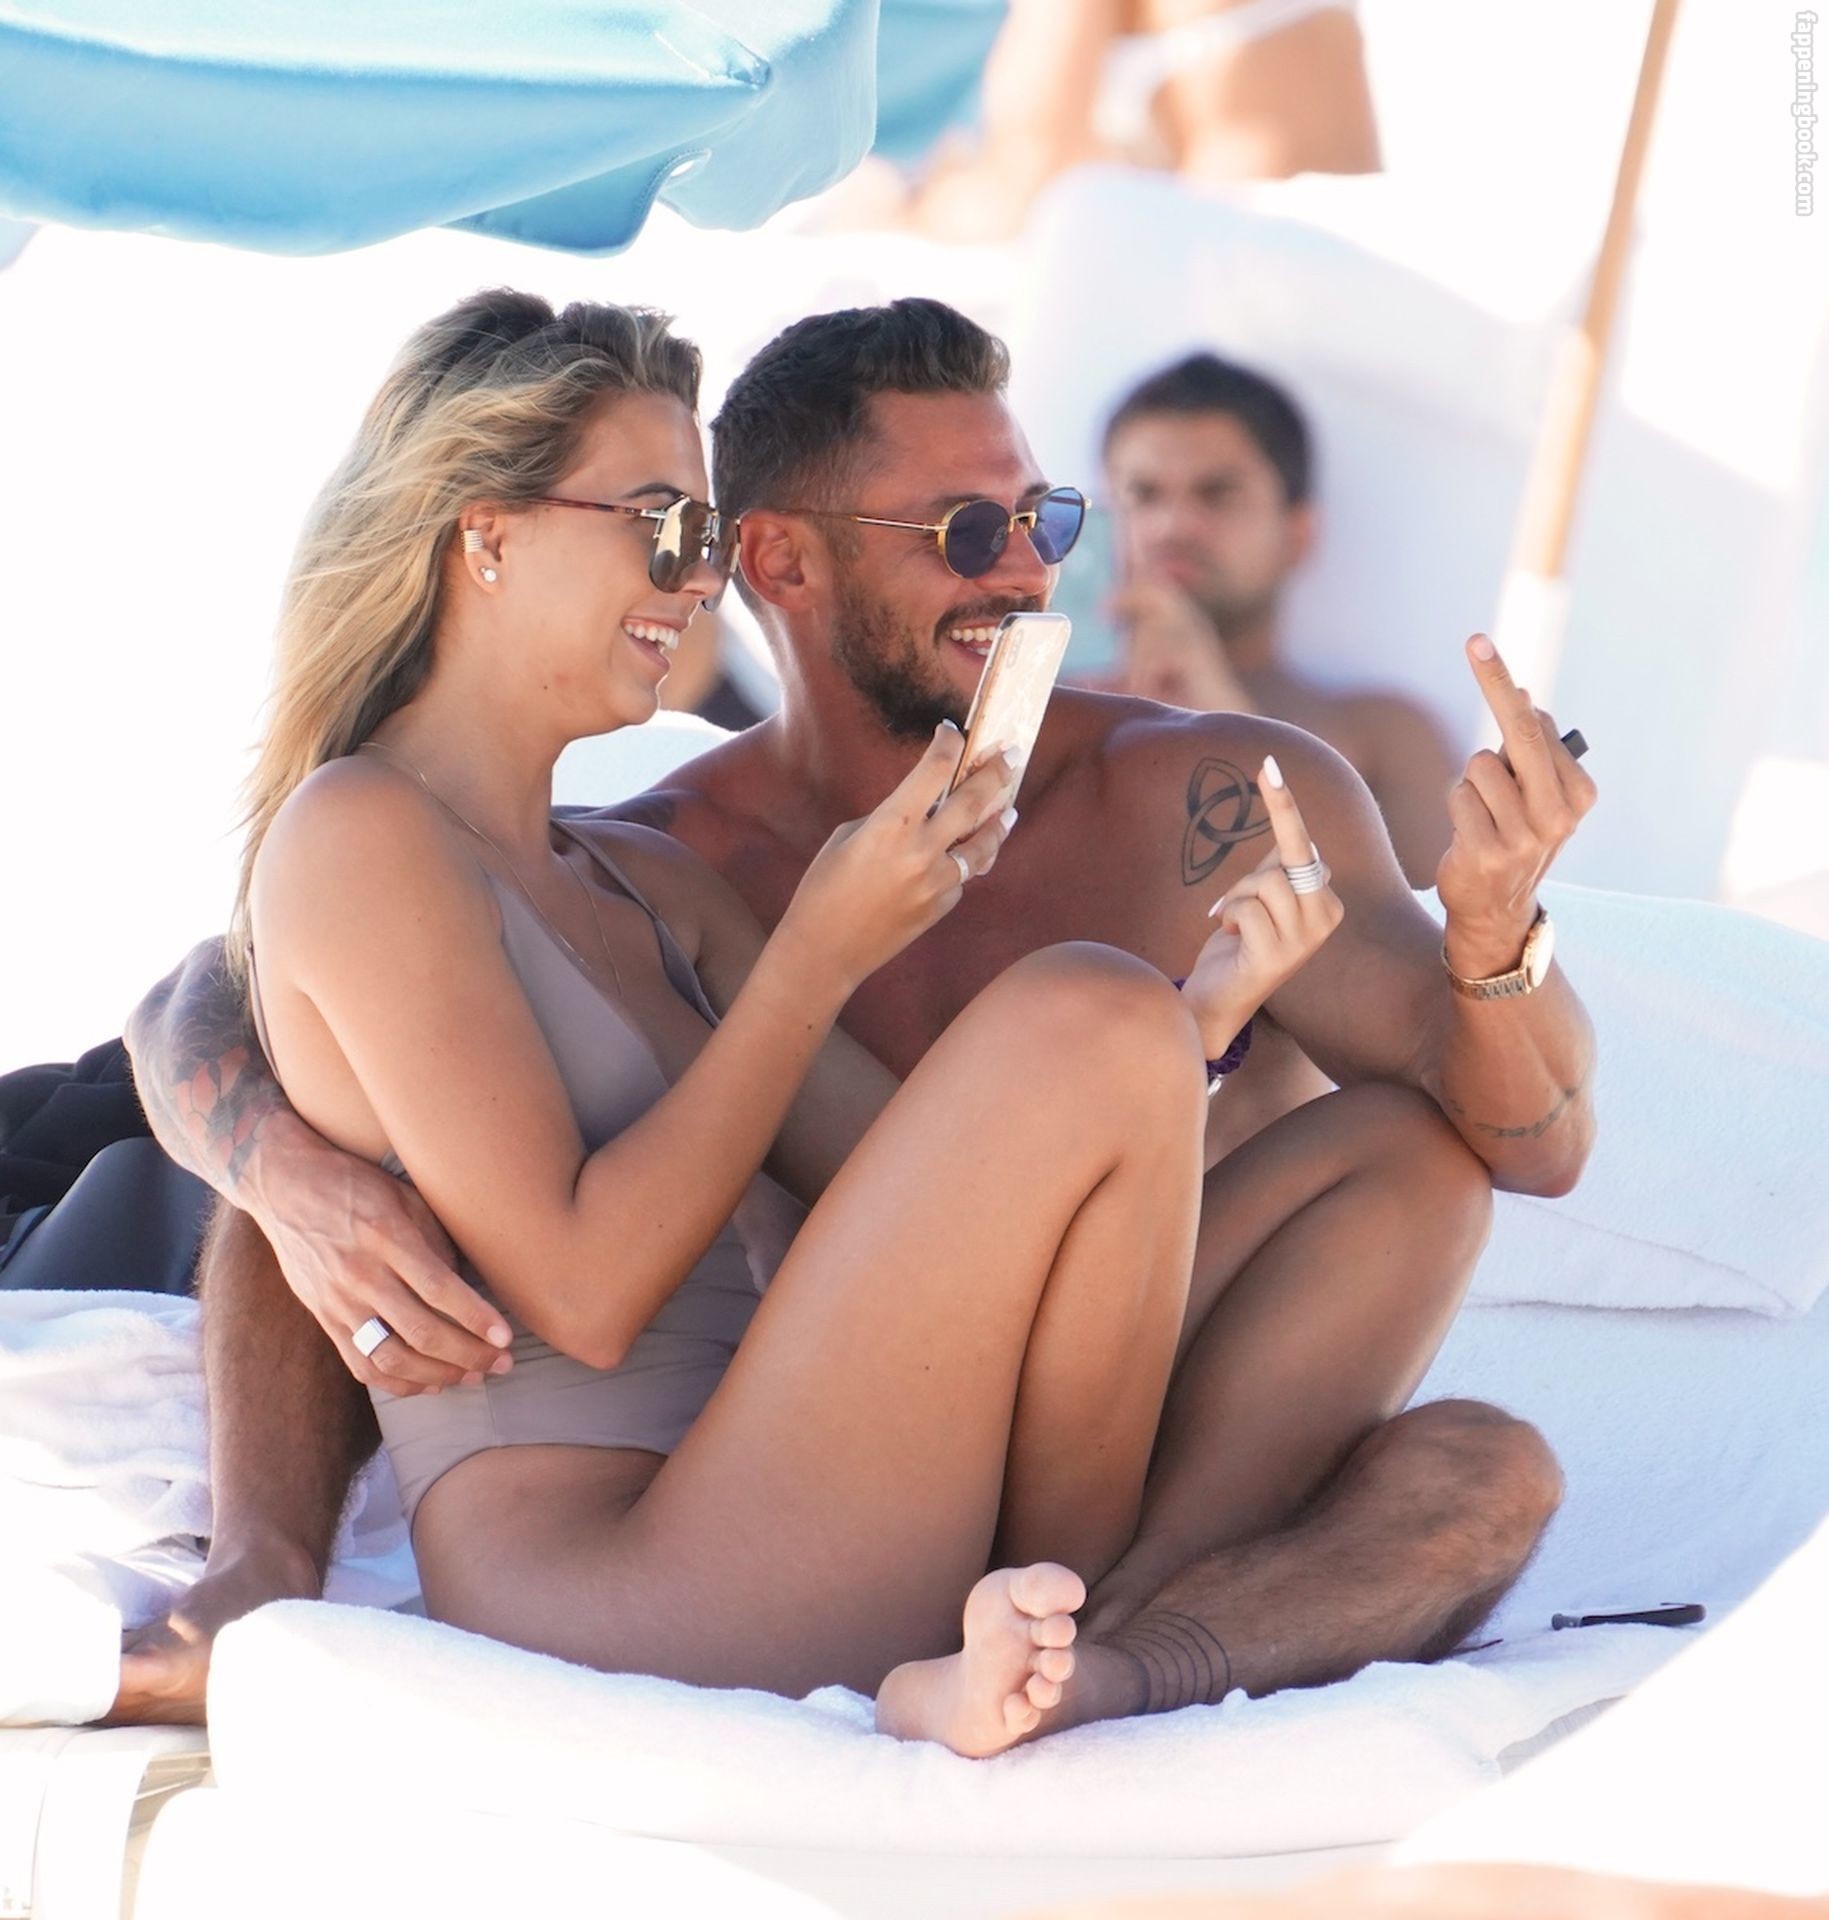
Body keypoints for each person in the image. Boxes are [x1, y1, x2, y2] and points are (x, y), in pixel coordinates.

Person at [116, 296, 1595, 1734]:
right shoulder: (398, 833)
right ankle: (1067, 1632)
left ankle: (1073, 1649)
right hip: (614, 1581)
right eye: (664, 532)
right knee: (1087, 1008)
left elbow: (925, 1179)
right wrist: (268, 1163)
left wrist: (1204, 1028)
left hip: (800, 1488)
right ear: (488, 538)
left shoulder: (631, 877)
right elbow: (566, 1279)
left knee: (1384, 1163)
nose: (694, 585)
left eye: (1042, 521)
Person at [1100, 351, 1462, 885]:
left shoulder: (1381, 736)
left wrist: (1222, 711)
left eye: (1217, 495)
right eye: (1142, 495)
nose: (1172, 525)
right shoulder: (1048, 705)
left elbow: (1433, 925)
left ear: (1298, 533)